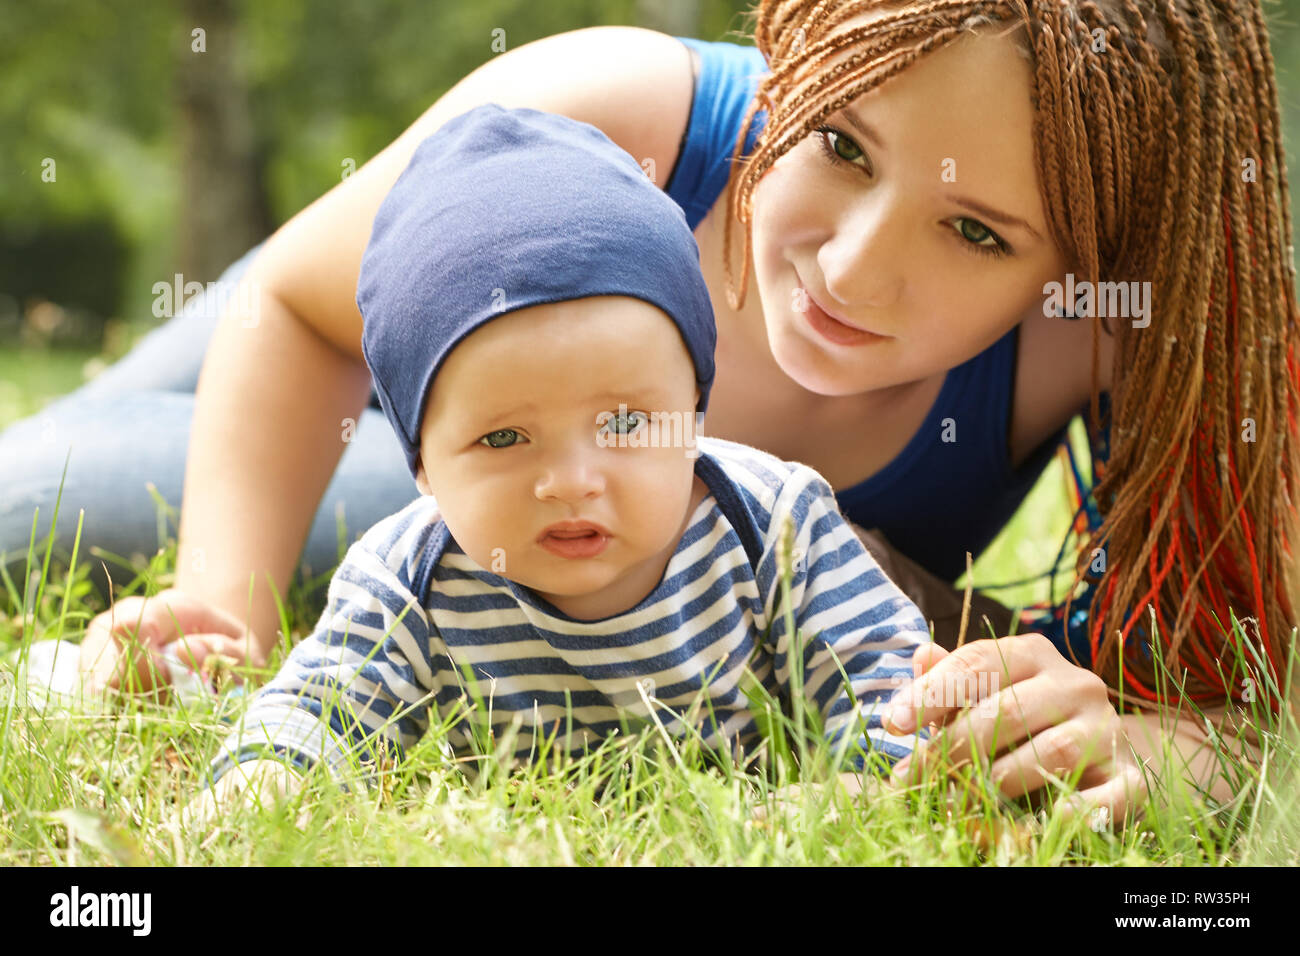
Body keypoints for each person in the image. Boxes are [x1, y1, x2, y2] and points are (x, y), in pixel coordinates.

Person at [5, 0, 1295, 820]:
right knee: (34, 496)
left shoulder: (1123, 325)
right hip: (329, 329)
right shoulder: (621, 117)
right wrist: (224, 605)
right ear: (794, 57)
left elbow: (1253, 708)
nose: (848, 270)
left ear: (1072, 262)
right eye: (840, 147)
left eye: (974, 229)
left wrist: (1157, 739)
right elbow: (291, 311)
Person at [204, 104, 930, 801]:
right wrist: (265, 782)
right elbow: (317, 706)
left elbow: (887, 677)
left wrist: (860, 786)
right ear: (424, 465)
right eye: (502, 438)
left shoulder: (772, 523)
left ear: (693, 415)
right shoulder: (409, 578)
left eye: (624, 423)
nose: (572, 482)